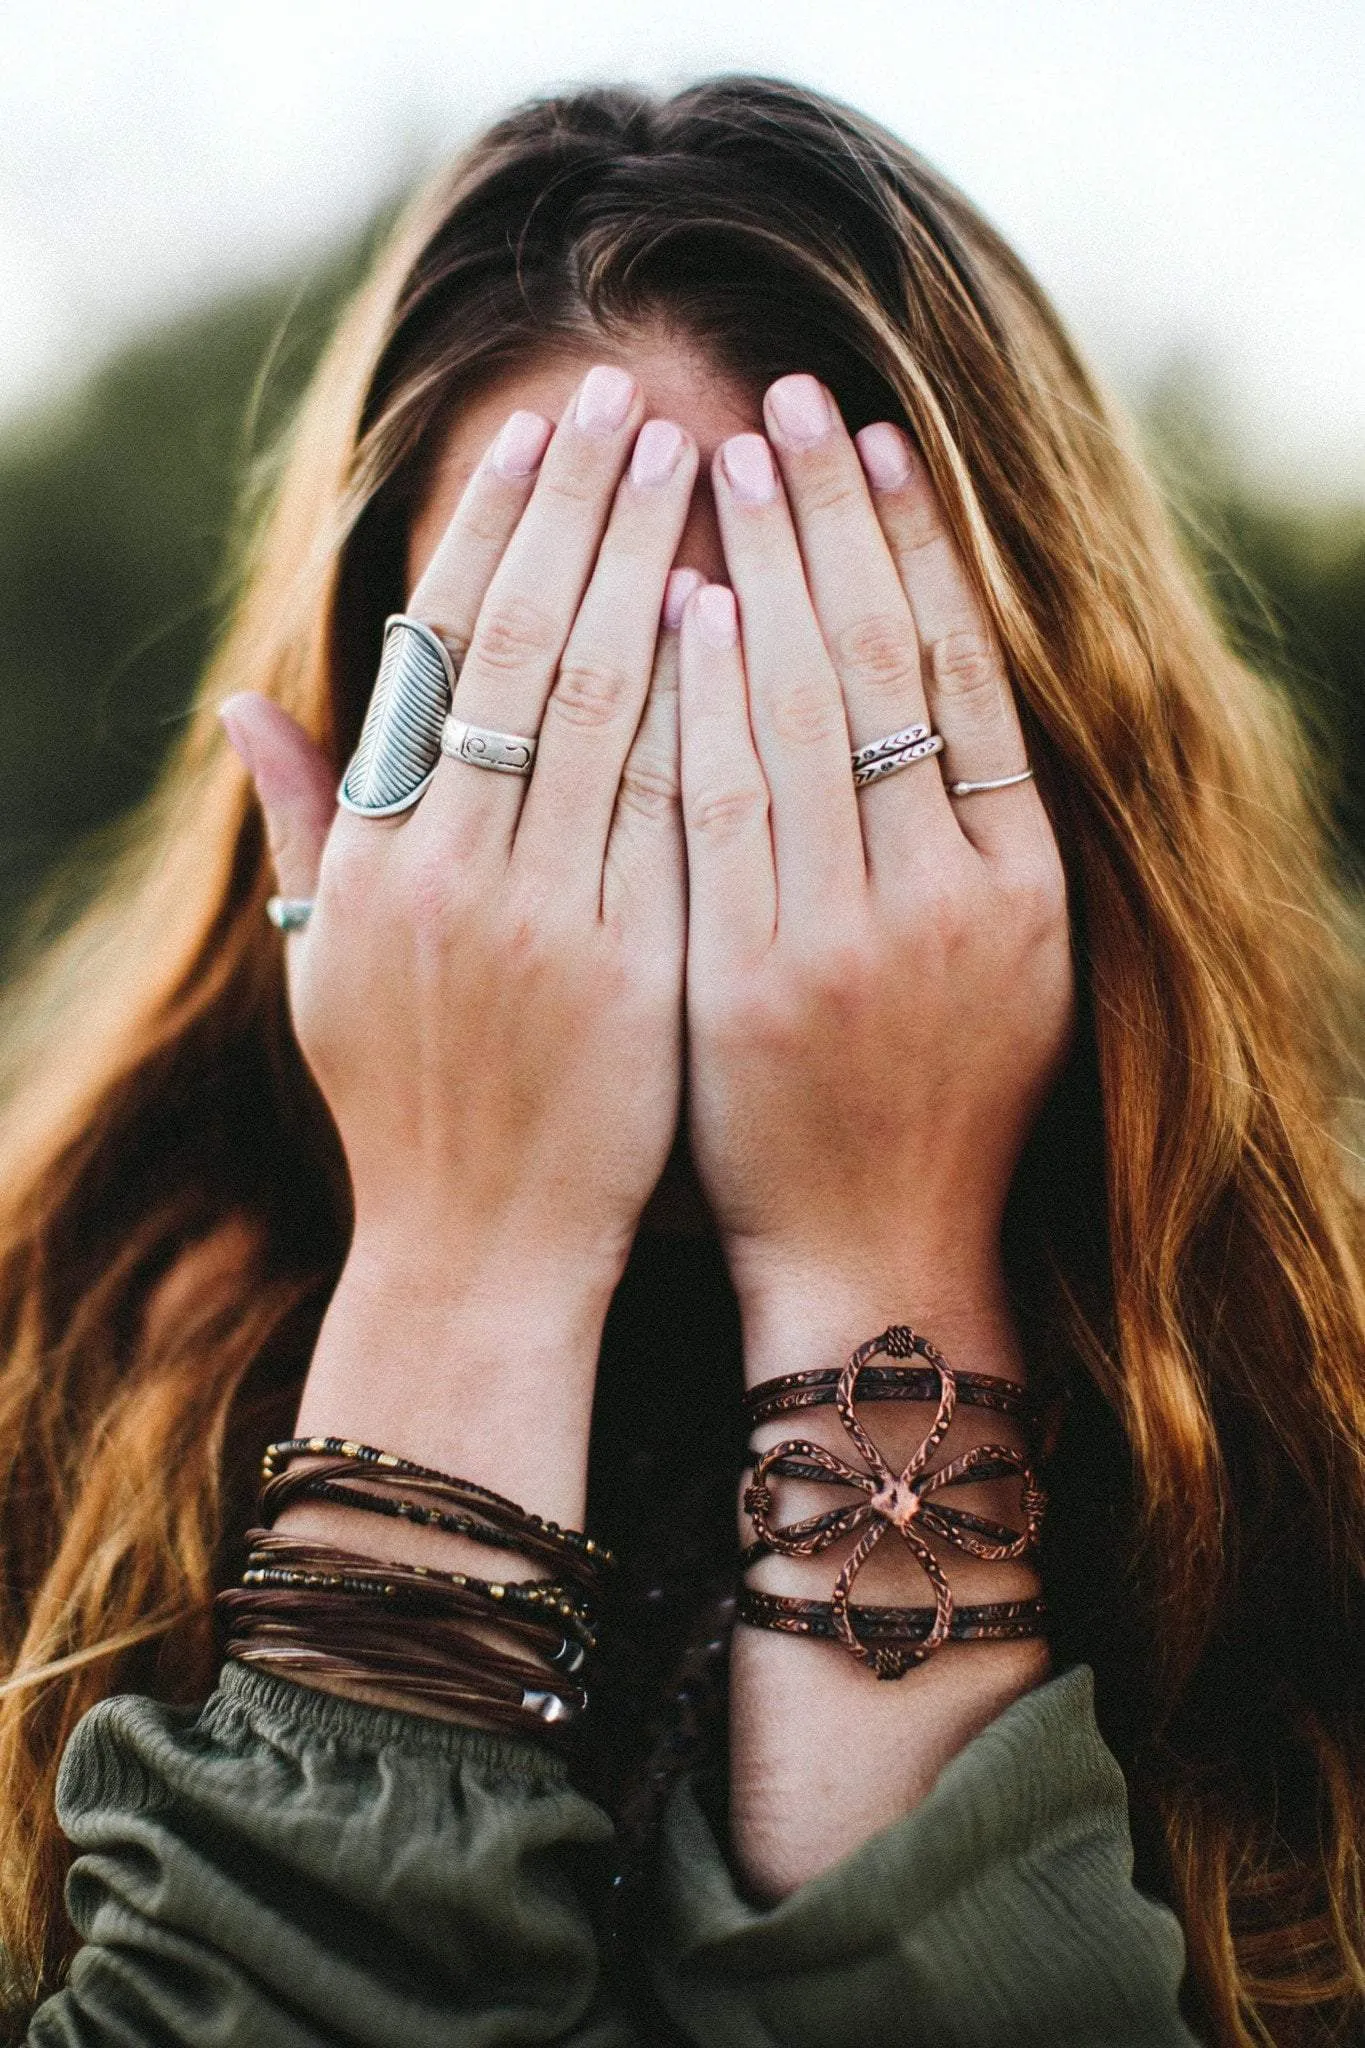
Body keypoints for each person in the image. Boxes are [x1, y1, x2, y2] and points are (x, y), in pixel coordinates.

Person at [0, 74, 1362, 2048]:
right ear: (333, 806)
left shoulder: (1313, 1450)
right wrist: (465, 1251)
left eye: (820, 721)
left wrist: (886, 1260)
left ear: (1054, 770)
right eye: (553, 720)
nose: (703, 826)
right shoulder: (41, 1385)